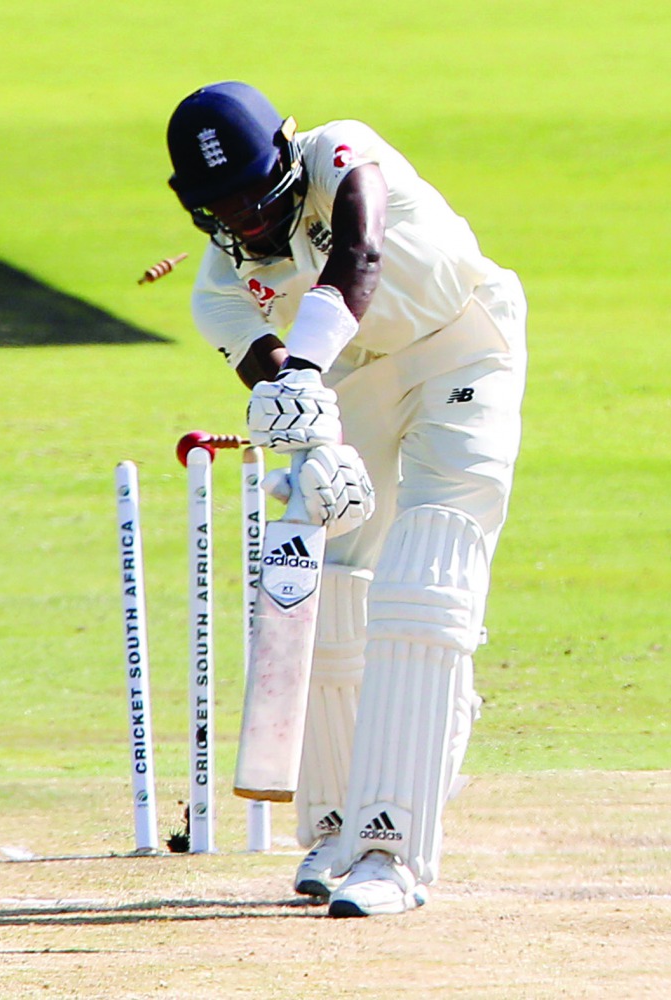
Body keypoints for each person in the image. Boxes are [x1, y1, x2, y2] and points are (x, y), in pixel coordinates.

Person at [165, 81, 527, 918]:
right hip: (357, 380)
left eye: (256, 194)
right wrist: (313, 446)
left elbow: (357, 257)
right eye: (224, 207)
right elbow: (281, 391)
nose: (248, 220)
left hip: (464, 347)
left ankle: (391, 853)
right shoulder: (218, 289)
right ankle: (335, 825)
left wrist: (297, 374)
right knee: (333, 577)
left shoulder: (341, 151)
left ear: (284, 156)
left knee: (424, 581)